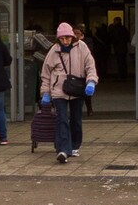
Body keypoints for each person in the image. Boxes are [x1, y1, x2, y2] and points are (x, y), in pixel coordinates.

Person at [40, 22, 99, 164]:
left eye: (68, 38)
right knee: (61, 119)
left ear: (73, 37)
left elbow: (90, 66)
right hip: (59, 90)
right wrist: (45, 93)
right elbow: (46, 73)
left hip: (77, 88)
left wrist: (91, 81)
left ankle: (74, 146)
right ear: (58, 39)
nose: (65, 41)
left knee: (76, 119)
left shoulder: (82, 47)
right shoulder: (54, 51)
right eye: (62, 38)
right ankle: (62, 149)